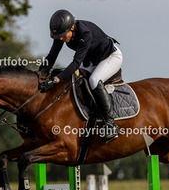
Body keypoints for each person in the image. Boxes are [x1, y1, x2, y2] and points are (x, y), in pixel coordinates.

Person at [38, 9, 123, 142]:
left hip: (110, 57)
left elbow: (76, 63)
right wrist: (41, 72)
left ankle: (110, 123)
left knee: (94, 80)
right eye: (58, 36)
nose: (60, 39)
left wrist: (56, 79)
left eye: (63, 36)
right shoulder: (62, 32)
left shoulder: (85, 33)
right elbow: (52, 55)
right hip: (91, 60)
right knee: (74, 81)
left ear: (72, 27)